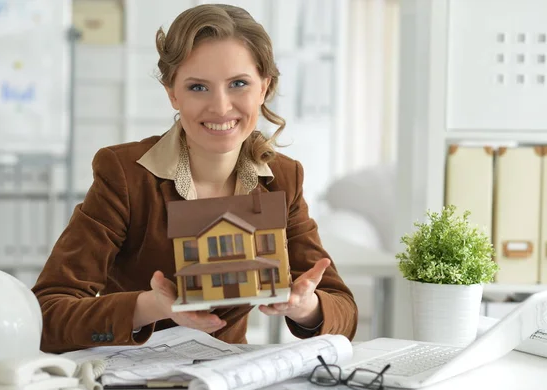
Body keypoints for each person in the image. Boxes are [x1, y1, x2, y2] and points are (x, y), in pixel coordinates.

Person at [32, 3, 358, 353]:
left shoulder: (281, 178)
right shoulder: (124, 174)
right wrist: (151, 307)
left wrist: (305, 307)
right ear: (172, 92)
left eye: (238, 84)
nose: (220, 107)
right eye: (198, 87)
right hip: (132, 378)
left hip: (228, 381)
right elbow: (47, 315)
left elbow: (345, 312)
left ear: (264, 88)